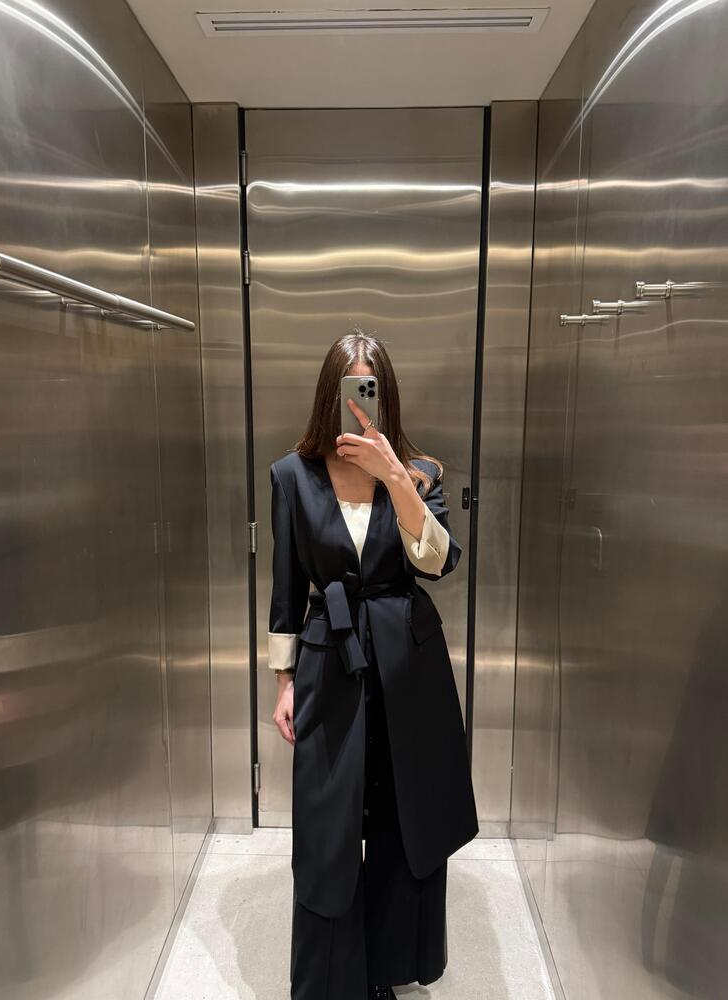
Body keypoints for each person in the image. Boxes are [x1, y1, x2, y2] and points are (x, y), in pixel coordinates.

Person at [268, 329, 479, 1000]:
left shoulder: (419, 472)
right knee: (328, 822)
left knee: (402, 812)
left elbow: (437, 561)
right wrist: (283, 681)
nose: (360, 404)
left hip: (406, 661)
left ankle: (392, 964)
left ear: (387, 397)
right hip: (329, 658)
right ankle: (331, 978)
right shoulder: (291, 476)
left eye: (372, 390)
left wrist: (394, 475)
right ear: (328, 396)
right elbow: (286, 586)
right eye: (350, 390)